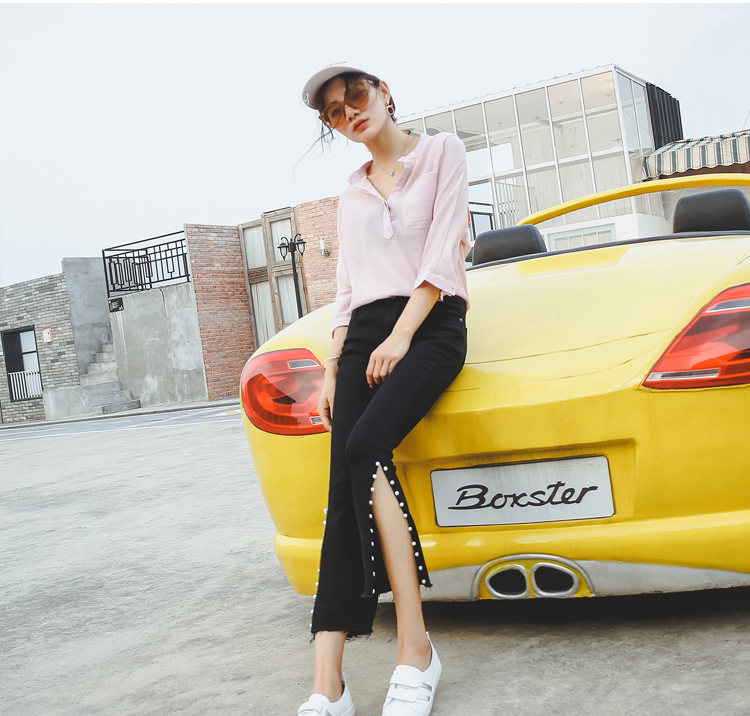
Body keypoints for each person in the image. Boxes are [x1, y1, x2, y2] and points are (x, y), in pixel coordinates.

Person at [297, 63, 471, 716]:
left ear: (384, 90)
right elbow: (346, 289)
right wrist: (332, 365)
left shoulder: (442, 153)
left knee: (365, 447)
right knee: (342, 486)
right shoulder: (351, 195)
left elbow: (443, 256)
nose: (350, 112)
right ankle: (328, 685)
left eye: (356, 95)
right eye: (335, 112)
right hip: (364, 335)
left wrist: (401, 335)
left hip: (430, 325)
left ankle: (416, 650)